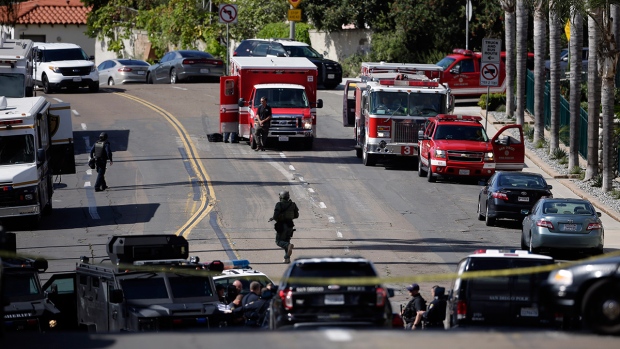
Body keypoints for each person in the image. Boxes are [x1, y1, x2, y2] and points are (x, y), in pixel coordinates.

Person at [269, 191, 299, 264]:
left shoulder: (279, 204)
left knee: (278, 241)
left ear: (281, 197)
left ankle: (288, 246)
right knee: (286, 240)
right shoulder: (293, 204)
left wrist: (274, 218)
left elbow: (275, 216)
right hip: (290, 225)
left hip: (282, 225)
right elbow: (296, 215)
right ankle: (287, 258)